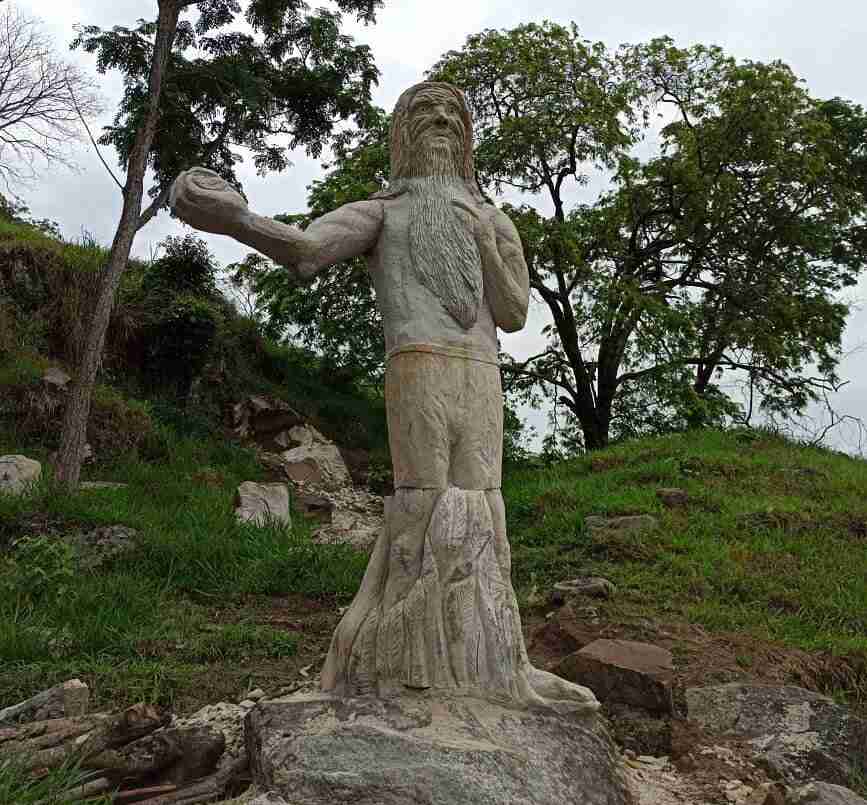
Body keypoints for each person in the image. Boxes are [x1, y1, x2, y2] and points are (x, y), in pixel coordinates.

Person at [171, 81, 596, 711]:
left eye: (454, 114)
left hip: (480, 370)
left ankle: (500, 662)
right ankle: (400, 664)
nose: (442, 121)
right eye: (427, 113)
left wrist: (482, 237)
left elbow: (511, 313)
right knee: (422, 502)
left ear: (469, 137)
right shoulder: (384, 212)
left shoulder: (495, 219)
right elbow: (309, 250)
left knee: (485, 503)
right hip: (418, 363)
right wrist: (239, 220)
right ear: (402, 133)